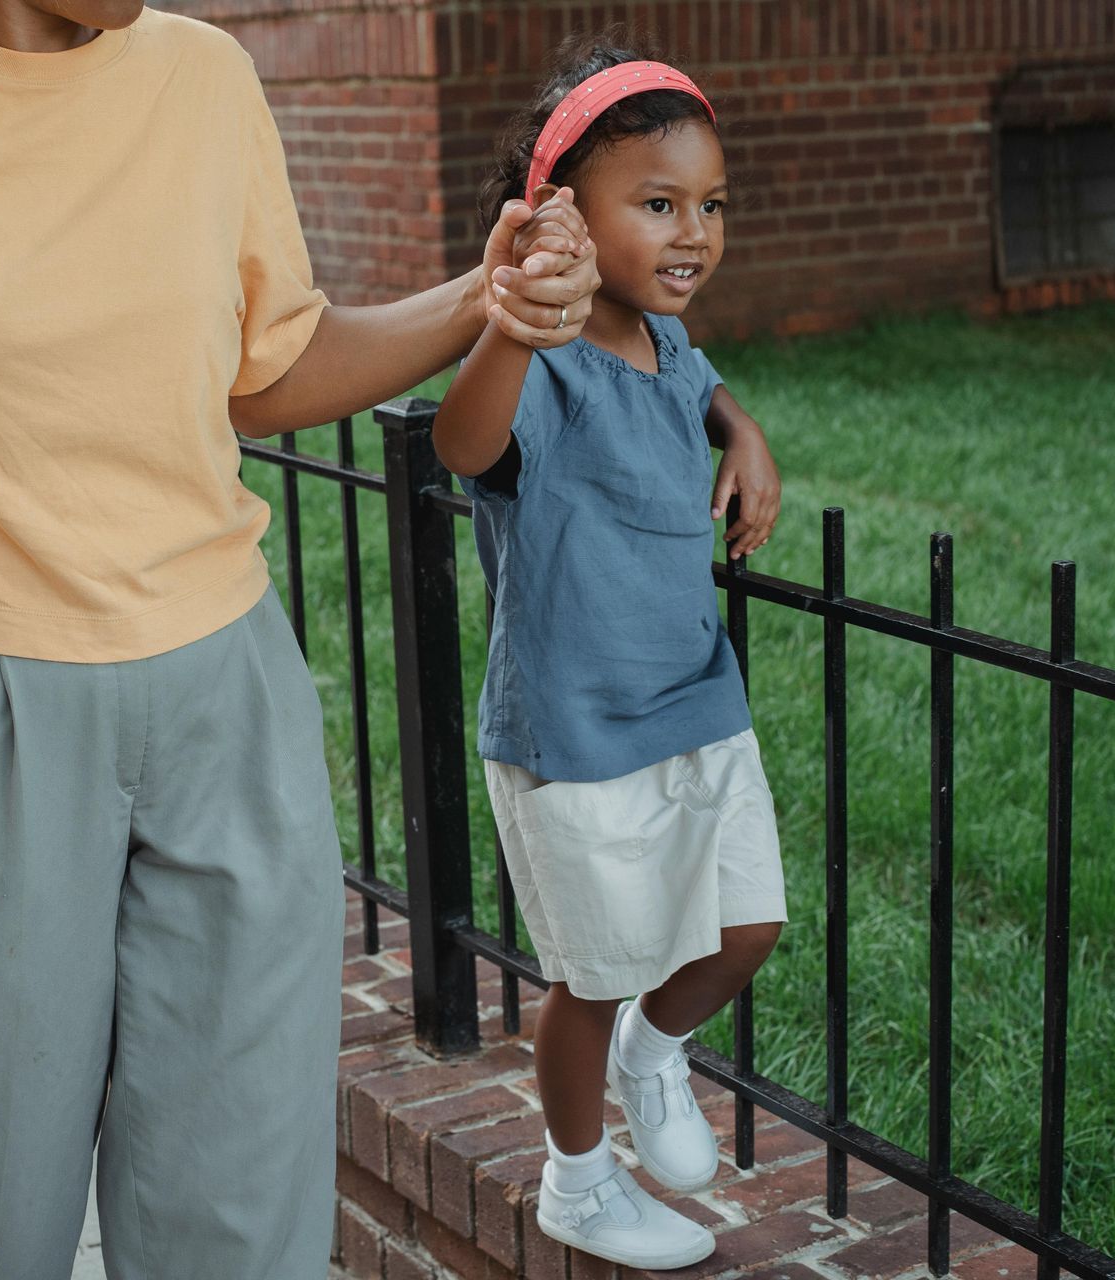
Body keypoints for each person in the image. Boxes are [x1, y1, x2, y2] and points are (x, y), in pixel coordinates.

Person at [0, 1, 603, 1276]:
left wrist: (486, 297)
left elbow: (270, 368)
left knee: (244, 1219)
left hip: (228, 695)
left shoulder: (205, 76)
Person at [431, 34, 788, 1273]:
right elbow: (463, 446)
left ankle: (657, 1049)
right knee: (593, 973)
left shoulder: (669, 342)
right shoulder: (547, 356)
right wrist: (516, 319)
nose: (693, 233)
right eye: (657, 205)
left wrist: (743, 432)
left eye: (710, 205)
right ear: (567, 218)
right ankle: (578, 1182)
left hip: (698, 699)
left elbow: (697, 390)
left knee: (747, 927)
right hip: (575, 730)